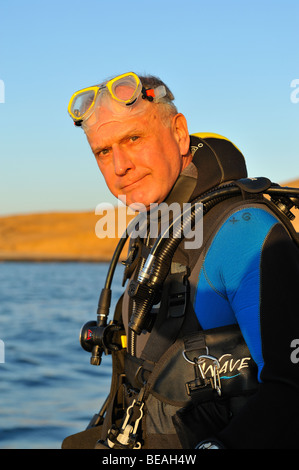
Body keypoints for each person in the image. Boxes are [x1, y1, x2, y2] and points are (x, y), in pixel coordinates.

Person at [62, 72, 299, 449]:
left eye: (132, 138)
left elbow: (291, 390)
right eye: (103, 151)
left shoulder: (243, 231)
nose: (119, 166)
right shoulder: (156, 232)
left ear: (179, 132)